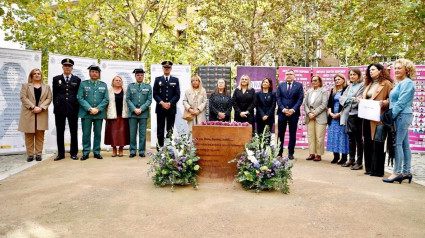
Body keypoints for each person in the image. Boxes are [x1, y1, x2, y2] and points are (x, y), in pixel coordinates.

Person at [383, 59, 416, 184]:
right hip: (401, 115)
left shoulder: (407, 83)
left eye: (399, 68)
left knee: (397, 144)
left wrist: (391, 115)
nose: (396, 70)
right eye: (395, 68)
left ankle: (396, 172)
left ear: (407, 70)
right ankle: (406, 172)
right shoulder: (401, 83)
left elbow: (401, 102)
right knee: (405, 145)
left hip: (401, 115)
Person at [362, 63, 393, 177]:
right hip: (367, 116)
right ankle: (369, 168)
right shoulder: (369, 84)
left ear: (380, 71)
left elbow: (392, 99)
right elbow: (367, 97)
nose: (370, 72)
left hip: (378, 118)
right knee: (368, 143)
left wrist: (384, 103)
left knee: (378, 144)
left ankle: (378, 170)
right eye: (369, 70)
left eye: (373, 69)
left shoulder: (387, 84)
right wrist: (360, 99)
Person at [18, 69, 52, 162]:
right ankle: (30, 154)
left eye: (38, 74)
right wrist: (33, 107)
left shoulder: (47, 87)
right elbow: (23, 97)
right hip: (29, 112)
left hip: (41, 113)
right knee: (29, 135)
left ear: (41, 75)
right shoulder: (25, 86)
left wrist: (41, 107)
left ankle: (38, 154)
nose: (37, 75)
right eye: (35, 74)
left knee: (40, 135)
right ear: (31, 76)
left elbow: (49, 98)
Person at [77, 65, 109, 160]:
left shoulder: (103, 85)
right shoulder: (83, 84)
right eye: (93, 72)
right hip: (86, 113)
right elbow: (80, 98)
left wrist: (98, 109)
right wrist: (90, 109)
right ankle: (86, 152)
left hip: (99, 114)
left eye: (96, 72)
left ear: (99, 74)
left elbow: (106, 99)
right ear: (89, 73)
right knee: (86, 134)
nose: (94, 73)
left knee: (97, 134)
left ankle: (96, 152)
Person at [52, 58, 81, 161]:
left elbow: (78, 94)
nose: (67, 67)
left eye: (69, 66)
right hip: (60, 109)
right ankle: (61, 153)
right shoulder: (56, 79)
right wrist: (56, 105)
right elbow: (54, 94)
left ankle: (74, 153)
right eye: (65, 65)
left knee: (74, 131)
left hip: (73, 109)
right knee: (60, 131)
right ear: (62, 67)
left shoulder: (77, 80)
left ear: (72, 67)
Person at [339, 69, 365, 168]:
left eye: (354, 75)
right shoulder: (350, 86)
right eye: (350, 75)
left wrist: (348, 99)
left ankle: (359, 162)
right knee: (351, 138)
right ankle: (351, 159)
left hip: (356, 114)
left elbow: (358, 99)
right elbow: (342, 98)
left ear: (359, 75)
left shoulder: (362, 85)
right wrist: (349, 99)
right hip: (347, 114)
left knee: (358, 139)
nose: (352, 76)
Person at [276, 69, 304, 160]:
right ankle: (279, 153)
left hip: (293, 114)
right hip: (282, 113)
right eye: (287, 74)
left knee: (292, 134)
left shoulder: (299, 85)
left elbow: (300, 99)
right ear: (285, 75)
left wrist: (293, 110)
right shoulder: (280, 85)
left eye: (290, 74)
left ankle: (291, 153)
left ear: (294, 75)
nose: (288, 75)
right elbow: (278, 98)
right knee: (281, 134)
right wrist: (283, 109)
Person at [153, 61, 180, 149]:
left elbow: (177, 94)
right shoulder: (158, 79)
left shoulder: (175, 80)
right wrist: (162, 103)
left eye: (168, 67)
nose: (167, 68)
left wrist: (170, 103)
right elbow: (155, 94)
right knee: (160, 129)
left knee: (170, 130)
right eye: (165, 67)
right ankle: (159, 148)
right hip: (160, 108)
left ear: (171, 68)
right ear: (162, 68)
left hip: (171, 109)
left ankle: (169, 148)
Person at [126, 68, 152, 158]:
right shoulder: (130, 86)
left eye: (141, 75)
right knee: (132, 133)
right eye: (138, 75)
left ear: (143, 76)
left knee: (142, 134)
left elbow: (149, 100)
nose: (140, 76)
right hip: (132, 114)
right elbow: (128, 99)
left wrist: (141, 109)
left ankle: (141, 151)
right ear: (135, 76)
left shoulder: (148, 87)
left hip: (143, 113)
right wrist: (134, 109)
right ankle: (132, 151)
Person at [303, 75, 329, 162]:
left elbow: (324, 104)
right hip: (309, 115)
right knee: (311, 136)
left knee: (319, 136)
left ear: (320, 81)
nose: (313, 82)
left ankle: (318, 154)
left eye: (315, 80)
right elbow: (305, 104)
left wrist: (314, 113)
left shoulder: (324, 91)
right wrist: (309, 113)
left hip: (320, 115)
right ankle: (312, 153)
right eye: (312, 80)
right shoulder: (309, 91)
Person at [327, 74, 349, 164]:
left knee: (342, 137)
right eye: (335, 79)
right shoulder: (333, 90)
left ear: (343, 80)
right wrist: (330, 113)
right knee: (333, 137)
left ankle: (344, 158)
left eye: (339, 79)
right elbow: (329, 104)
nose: (337, 81)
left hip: (342, 117)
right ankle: (336, 156)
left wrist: (339, 114)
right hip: (333, 117)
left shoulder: (347, 89)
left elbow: (347, 104)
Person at [105, 76, 130, 157]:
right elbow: (105, 102)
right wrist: (105, 114)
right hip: (112, 115)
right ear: (113, 82)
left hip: (123, 115)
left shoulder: (126, 91)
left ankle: (121, 149)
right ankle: (114, 149)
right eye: (116, 80)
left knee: (122, 134)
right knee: (113, 134)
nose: (118, 81)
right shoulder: (109, 91)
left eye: (119, 80)